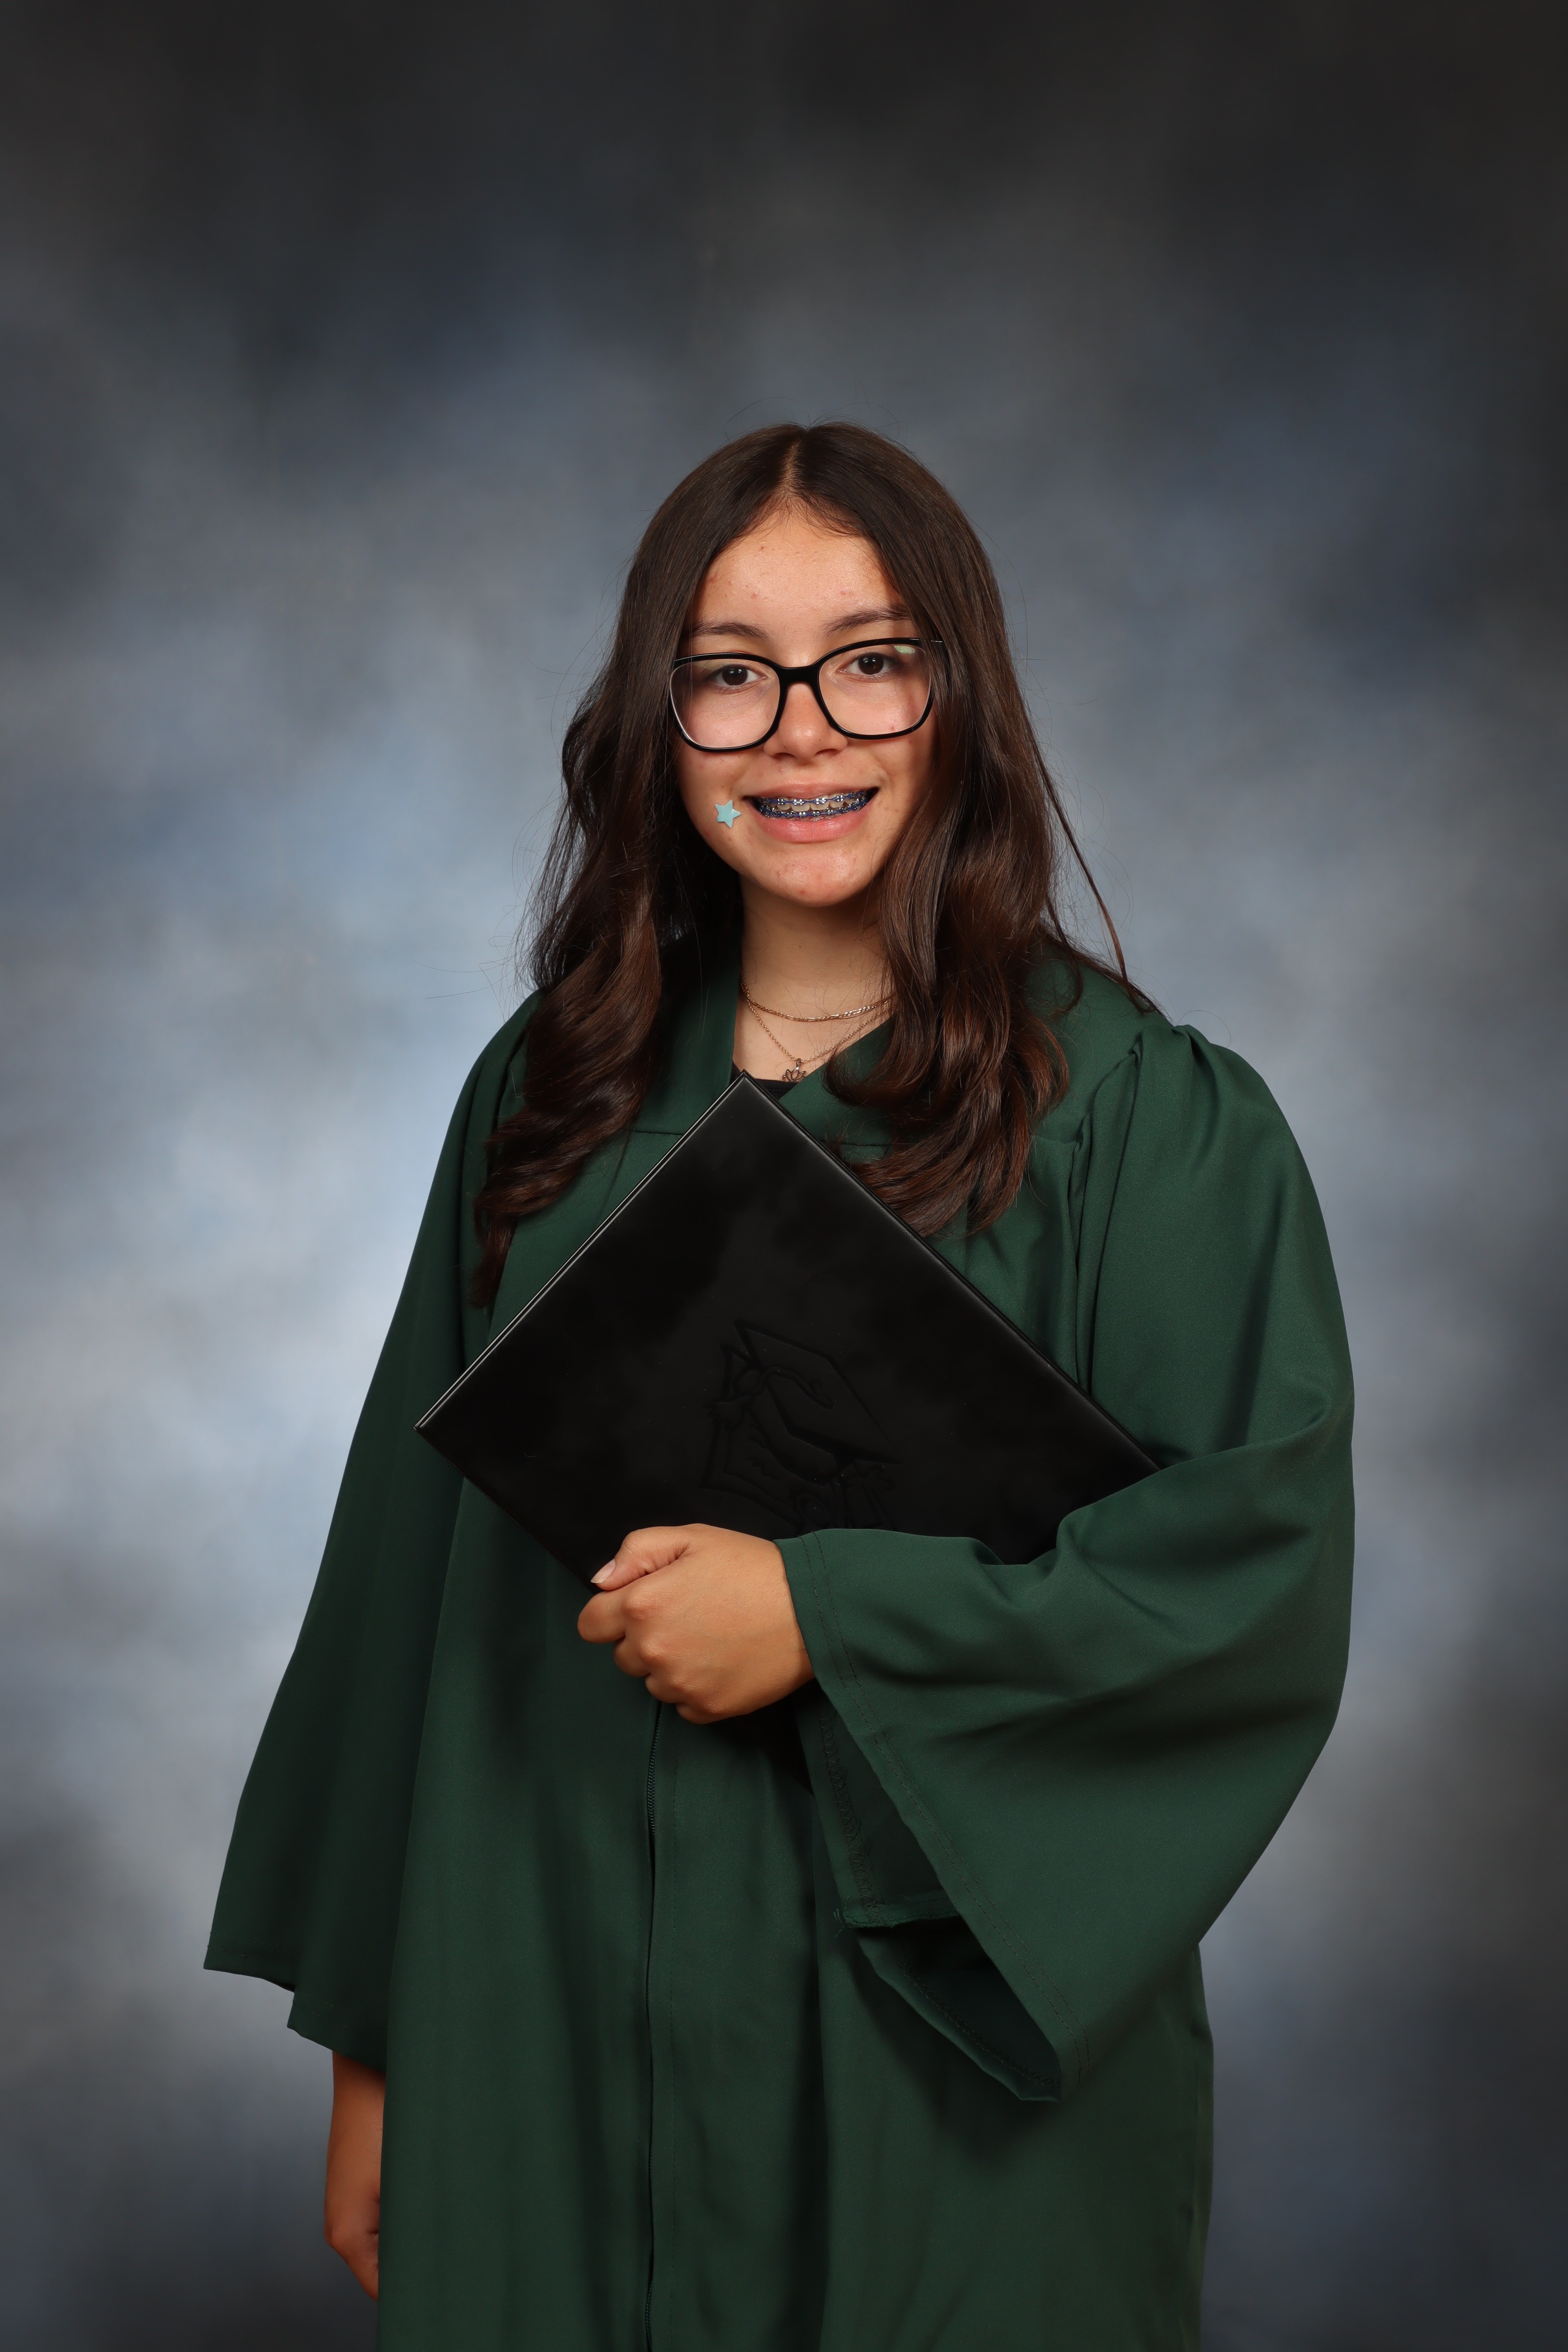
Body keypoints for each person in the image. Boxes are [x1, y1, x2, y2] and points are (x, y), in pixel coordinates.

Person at [207, 421, 1353, 2351]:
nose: (801, 732)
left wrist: (827, 1613)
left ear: (957, 697)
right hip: (550, 2002)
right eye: (730, 673)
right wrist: (379, 2053)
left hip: (937, 2070)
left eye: (870, 660)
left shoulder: (1147, 1127)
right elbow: (407, 1599)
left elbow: (1240, 1584)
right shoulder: (552, 1096)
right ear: (656, 724)